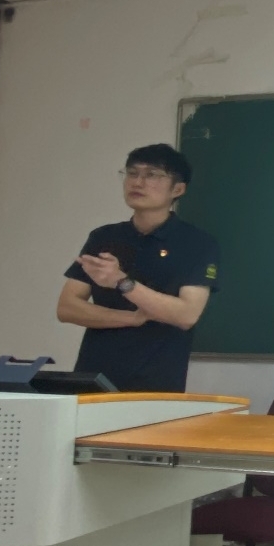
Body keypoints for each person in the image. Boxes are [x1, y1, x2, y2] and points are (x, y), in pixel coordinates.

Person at [56, 144, 219, 392]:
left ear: (178, 189)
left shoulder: (197, 243)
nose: (138, 182)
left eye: (152, 175)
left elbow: (186, 315)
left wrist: (122, 282)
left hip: (155, 383)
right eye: (132, 173)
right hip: (92, 378)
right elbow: (67, 308)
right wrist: (132, 318)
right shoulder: (104, 237)